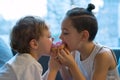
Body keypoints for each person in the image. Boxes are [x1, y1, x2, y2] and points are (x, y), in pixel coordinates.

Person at [56, 3, 120, 80]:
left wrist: (72, 65)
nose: (60, 37)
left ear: (84, 36)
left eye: (65, 33)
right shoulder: (75, 52)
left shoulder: (103, 55)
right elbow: (68, 78)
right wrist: (61, 63)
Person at [0, 16, 60, 80]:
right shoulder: (30, 65)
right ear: (34, 44)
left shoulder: (24, 61)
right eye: (49, 36)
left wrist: (51, 68)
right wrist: (53, 70)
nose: (53, 39)